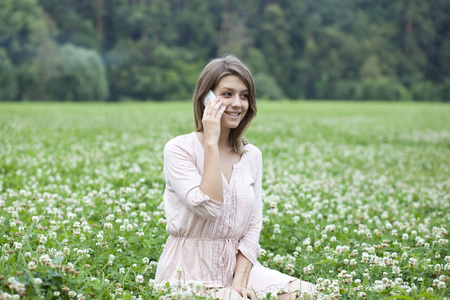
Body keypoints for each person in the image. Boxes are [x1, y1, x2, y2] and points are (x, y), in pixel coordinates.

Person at [155, 55, 316, 299]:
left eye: (244, 95)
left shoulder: (252, 155)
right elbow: (209, 207)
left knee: (308, 294)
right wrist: (211, 140)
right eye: (227, 94)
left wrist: (240, 281)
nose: (237, 103)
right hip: (187, 273)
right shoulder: (179, 149)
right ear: (205, 98)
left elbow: (253, 225)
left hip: (237, 270)